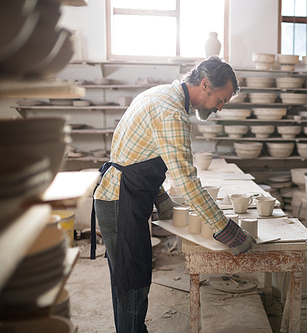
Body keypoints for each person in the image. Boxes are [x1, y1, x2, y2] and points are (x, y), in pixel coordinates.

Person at [93, 56, 255, 333]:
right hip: (120, 200)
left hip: (122, 194)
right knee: (132, 282)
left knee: (129, 279)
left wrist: (161, 199)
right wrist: (227, 231)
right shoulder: (172, 114)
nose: (220, 107)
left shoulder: (161, 94)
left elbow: (137, 155)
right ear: (205, 85)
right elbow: (188, 183)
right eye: (221, 99)